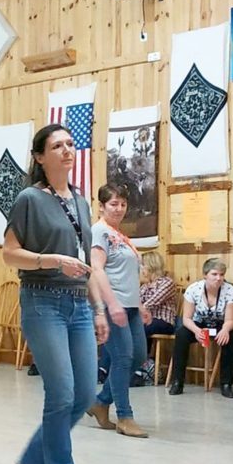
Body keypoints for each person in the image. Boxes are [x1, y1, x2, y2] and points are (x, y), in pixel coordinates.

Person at [2, 124, 110, 464]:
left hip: (80, 304)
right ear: (39, 157)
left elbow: (85, 263)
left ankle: (35, 456)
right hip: (42, 301)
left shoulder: (81, 202)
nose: (67, 150)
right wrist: (50, 261)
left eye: (70, 144)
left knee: (84, 394)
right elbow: (9, 253)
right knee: (61, 393)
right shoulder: (30, 199)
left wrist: (98, 308)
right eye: (57, 145)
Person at [86, 183, 148, 437]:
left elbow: (129, 274)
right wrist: (110, 304)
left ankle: (101, 402)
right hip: (113, 305)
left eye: (123, 204)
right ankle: (125, 416)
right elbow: (97, 269)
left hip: (131, 305)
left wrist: (140, 304)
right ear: (101, 206)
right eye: (113, 204)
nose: (119, 208)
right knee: (123, 358)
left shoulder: (121, 235)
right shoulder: (99, 232)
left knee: (138, 355)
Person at [168, 258, 233, 398]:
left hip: (221, 324)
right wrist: (196, 331)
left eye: (221, 275)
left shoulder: (230, 291)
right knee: (181, 334)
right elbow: (186, 319)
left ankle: (226, 384)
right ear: (205, 275)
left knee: (232, 337)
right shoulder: (193, 289)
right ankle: (177, 382)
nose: (218, 278)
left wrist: (225, 330)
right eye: (214, 274)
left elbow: (230, 320)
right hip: (197, 323)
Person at [139, 251, 176, 339]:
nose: (140, 270)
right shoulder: (145, 285)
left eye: (142, 266)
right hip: (146, 319)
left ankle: (143, 352)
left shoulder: (167, 282)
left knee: (139, 329)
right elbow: (137, 301)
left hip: (163, 321)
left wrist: (140, 309)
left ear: (151, 266)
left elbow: (153, 301)